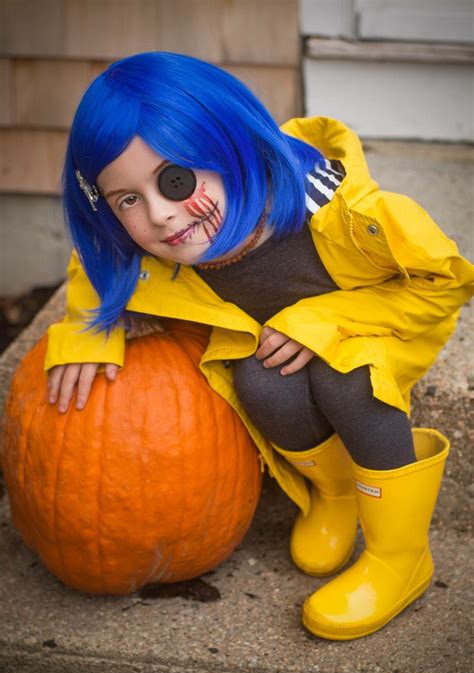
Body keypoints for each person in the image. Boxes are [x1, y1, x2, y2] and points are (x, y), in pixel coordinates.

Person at [46, 51, 473, 640]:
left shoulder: (349, 214)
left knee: (348, 379)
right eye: (127, 200)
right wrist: (88, 331)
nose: (163, 215)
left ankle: (400, 557)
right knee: (259, 382)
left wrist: (324, 321)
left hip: (365, 329)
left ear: (232, 145)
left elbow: (446, 280)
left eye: (176, 180)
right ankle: (337, 491)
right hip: (273, 350)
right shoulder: (153, 244)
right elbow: (93, 263)